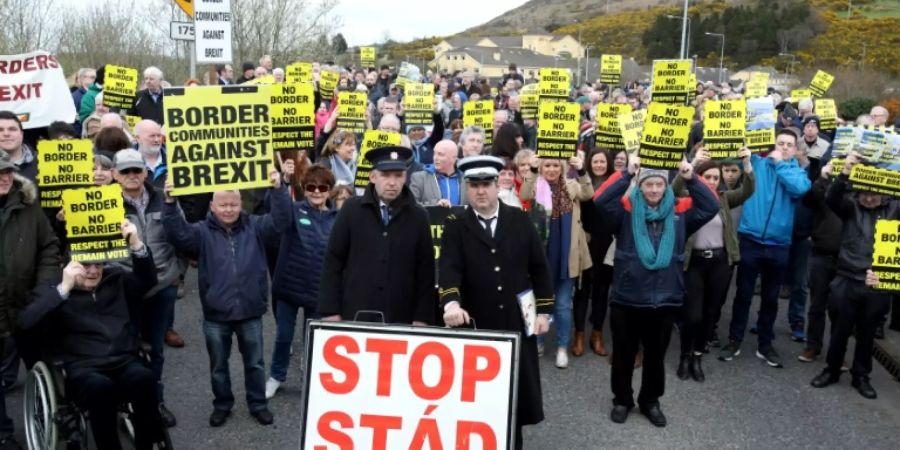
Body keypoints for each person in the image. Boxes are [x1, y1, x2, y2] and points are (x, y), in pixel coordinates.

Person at [594, 157, 718, 427]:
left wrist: (690, 176)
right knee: (624, 355)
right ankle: (622, 400)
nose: (653, 190)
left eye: (658, 184)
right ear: (640, 186)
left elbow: (712, 205)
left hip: (665, 299)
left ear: (666, 187)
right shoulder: (625, 211)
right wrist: (626, 174)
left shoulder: (681, 211)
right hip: (627, 298)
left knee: (655, 357)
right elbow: (601, 199)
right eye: (648, 184)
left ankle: (650, 401)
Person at [19, 221, 165, 450]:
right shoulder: (54, 289)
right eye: (85, 265)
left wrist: (135, 243)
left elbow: (149, 281)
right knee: (100, 389)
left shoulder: (116, 279)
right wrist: (63, 290)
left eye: (98, 264)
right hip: (83, 365)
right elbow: (26, 322)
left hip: (123, 358)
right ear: (69, 266)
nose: (94, 271)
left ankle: (145, 444)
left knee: (145, 380)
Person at [162, 169, 291, 427]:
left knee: (255, 364)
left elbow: (282, 222)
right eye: (223, 204)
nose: (229, 209)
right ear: (212, 205)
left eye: (233, 204)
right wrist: (169, 203)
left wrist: (279, 190)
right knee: (218, 366)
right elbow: (178, 234)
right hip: (216, 314)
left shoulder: (255, 226)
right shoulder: (200, 231)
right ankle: (222, 404)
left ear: (241, 203)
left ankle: (258, 404)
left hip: (250, 311)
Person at [440, 155, 553, 450]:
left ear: (496, 184)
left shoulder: (519, 220)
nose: (480, 191)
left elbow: (539, 267)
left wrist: (545, 312)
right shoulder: (456, 223)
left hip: (516, 321)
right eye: (474, 185)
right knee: (476, 398)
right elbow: (449, 269)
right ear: (467, 188)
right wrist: (451, 304)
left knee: (514, 396)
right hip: (476, 323)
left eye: (486, 184)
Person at [719, 128, 811, 368]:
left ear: (795, 149)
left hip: (779, 244)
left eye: (789, 145)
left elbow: (800, 189)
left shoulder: (796, 172)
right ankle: (734, 339)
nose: (783, 147)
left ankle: (765, 344)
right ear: (773, 143)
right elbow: (737, 160)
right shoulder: (757, 164)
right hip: (750, 239)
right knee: (743, 294)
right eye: (780, 142)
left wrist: (780, 164)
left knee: (771, 298)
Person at [809, 153, 898, 399]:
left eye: (873, 193)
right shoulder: (850, 206)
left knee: (868, 333)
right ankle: (832, 369)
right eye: (863, 192)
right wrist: (846, 171)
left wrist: (887, 276)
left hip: (876, 284)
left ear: (884, 192)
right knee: (839, 328)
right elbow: (831, 197)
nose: (868, 197)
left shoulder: (895, 208)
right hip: (846, 278)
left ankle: (861, 376)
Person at [318, 146, 435, 325]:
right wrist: (330, 310)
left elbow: (426, 271)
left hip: (401, 319)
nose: (392, 182)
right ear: (373, 177)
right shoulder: (351, 210)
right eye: (385, 175)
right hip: (355, 315)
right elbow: (333, 261)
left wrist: (422, 318)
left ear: (406, 177)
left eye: (398, 175)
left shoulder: (418, 216)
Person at [111, 149, 183, 427]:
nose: (132, 176)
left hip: (162, 286)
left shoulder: (163, 198)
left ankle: (154, 402)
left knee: (156, 349)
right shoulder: (104, 204)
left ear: (145, 172)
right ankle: (125, 402)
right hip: (124, 289)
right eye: (125, 171)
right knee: (126, 349)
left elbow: (180, 233)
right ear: (115, 175)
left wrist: (176, 273)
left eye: (136, 170)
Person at [673, 148, 755, 382]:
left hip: (720, 262)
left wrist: (747, 164)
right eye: (706, 177)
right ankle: (684, 356)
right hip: (694, 263)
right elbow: (672, 191)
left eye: (715, 178)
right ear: (698, 177)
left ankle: (697, 357)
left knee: (710, 314)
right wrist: (690, 167)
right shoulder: (686, 197)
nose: (711, 181)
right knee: (693, 315)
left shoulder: (724, 199)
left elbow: (748, 190)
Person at [0, 149, 61, 450]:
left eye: (7, 171)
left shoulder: (28, 206)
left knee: (42, 364)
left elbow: (49, 247)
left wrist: (44, 286)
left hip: (27, 304)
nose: (4, 177)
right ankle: (3, 433)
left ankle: (49, 420)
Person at [265, 164, 338, 399]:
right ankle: (276, 375)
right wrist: (281, 185)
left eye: (322, 187)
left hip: (318, 290)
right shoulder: (293, 211)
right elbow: (278, 213)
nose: (317, 192)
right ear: (304, 189)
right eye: (311, 187)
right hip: (288, 287)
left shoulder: (338, 218)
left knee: (313, 338)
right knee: (284, 336)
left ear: (330, 190)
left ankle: (311, 374)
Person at [520, 154, 593, 368]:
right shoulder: (536, 185)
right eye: (547, 165)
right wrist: (532, 171)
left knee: (561, 305)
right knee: (540, 304)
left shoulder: (571, 185)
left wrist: (581, 170)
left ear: (561, 168)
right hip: (542, 256)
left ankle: (562, 347)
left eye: (555, 165)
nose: (551, 169)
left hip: (566, 255)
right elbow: (524, 193)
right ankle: (539, 342)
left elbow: (588, 193)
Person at [573, 149, 615, 357]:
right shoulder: (583, 181)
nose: (599, 165)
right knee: (582, 290)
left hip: (607, 243)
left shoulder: (616, 184)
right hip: (585, 242)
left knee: (602, 291)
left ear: (608, 163)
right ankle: (579, 334)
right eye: (595, 161)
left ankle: (596, 334)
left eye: (602, 161)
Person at [409, 140, 467, 207]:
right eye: (434, 153)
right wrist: (435, 204)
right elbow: (411, 206)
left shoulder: (466, 179)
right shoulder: (419, 178)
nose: (435, 158)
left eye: (440, 154)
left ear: (453, 158)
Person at [0, 111, 37, 182]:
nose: (6, 134)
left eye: (12, 129)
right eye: (0, 130)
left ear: (21, 134)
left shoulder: (44, 162)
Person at [133, 120, 167, 189]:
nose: (157, 140)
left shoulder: (173, 159)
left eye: (159, 135)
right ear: (137, 138)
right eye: (152, 136)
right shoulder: (125, 161)